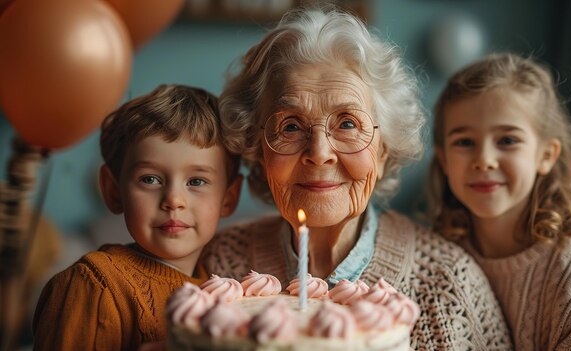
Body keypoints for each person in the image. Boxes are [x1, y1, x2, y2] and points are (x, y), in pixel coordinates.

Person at [198, 7, 512, 349]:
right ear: (258, 149)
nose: (319, 152)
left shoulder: (447, 284)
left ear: (383, 149)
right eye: (290, 126)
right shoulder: (222, 264)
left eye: (347, 123)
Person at [428, 53, 571, 350]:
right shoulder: (434, 256)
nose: (484, 160)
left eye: (507, 140)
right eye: (465, 142)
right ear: (444, 159)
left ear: (546, 155)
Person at [32, 85, 243, 350]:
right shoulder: (94, 285)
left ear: (228, 198)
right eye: (150, 179)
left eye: (197, 181)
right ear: (113, 191)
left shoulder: (224, 294)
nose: (174, 200)